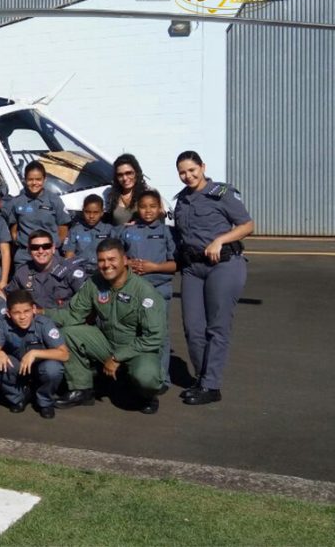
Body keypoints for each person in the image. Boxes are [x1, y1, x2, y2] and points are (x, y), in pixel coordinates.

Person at [172, 151, 253, 406]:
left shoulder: (221, 193)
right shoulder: (181, 200)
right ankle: (202, 378)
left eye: (192, 170)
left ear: (203, 167)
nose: (188, 176)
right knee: (193, 327)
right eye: (183, 172)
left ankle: (211, 385)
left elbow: (247, 225)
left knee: (217, 327)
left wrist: (220, 240)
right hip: (193, 268)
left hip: (223, 265)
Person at [50, 238, 165, 415]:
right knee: (67, 333)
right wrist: (41, 313)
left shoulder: (144, 291)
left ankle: (146, 395)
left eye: (112, 259)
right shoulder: (95, 282)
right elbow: (74, 315)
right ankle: (82, 389)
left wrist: (117, 358)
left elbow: (154, 337)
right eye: (101, 260)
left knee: (146, 376)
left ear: (125, 260)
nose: (106, 265)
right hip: (107, 342)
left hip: (137, 349)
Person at [116, 189, 177, 388]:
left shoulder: (167, 232)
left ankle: (162, 377)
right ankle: (135, 376)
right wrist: (127, 263)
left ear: (160, 208)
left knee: (159, 334)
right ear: (137, 208)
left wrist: (154, 267)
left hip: (159, 290)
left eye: (152, 206)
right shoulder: (128, 230)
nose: (148, 211)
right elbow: (116, 255)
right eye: (143, 207)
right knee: (133, 332)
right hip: (133, 291)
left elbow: (175, 264)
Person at [0, 290, 68, 419]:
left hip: (41, 366)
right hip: (18, 366)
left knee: (53, 369)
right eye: (16, 313)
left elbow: (64, 354)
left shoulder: (44, 324)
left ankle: (45, 401)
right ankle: (19, 396)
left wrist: (34, 353)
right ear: (8, 313)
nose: (22, 317)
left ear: (34, 309)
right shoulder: (3, 324)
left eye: (26, 311)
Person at [5, 161, 70, 269]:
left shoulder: (54, 200)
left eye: (38, 179)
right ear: (25, 180)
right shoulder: (17, 202)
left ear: (44, 179)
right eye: (30, 179)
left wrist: (51, 247)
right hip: (25, 256)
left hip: (49, 255)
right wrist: (21, 243)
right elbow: (14, 228)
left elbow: (63, 227)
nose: (34, 183)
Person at [7, 229, 86, 313]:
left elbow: (86, 300)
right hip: (35, 319)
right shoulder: (22, 272)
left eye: (46, 246)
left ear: (53, 248)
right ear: (29, 250)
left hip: (66, 318)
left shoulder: (70, 269)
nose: (41, 251)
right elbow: (8, 295)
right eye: (35, 248)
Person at [62, 194, 114, 272]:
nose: (91, 216)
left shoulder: (109, 230)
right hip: (79, 271)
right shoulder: (75, 230)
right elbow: (69, 257)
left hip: (102, 271)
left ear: (102, 212)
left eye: (95, 212)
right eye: (87, 212)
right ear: (83, 211)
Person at [103, 154, 150, 226]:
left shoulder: (148, 193)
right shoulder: (111, 195)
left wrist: (140, 223)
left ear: (136, 173)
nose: (124, 178)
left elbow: (159, 220)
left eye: (129, 173)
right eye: (120, 175)